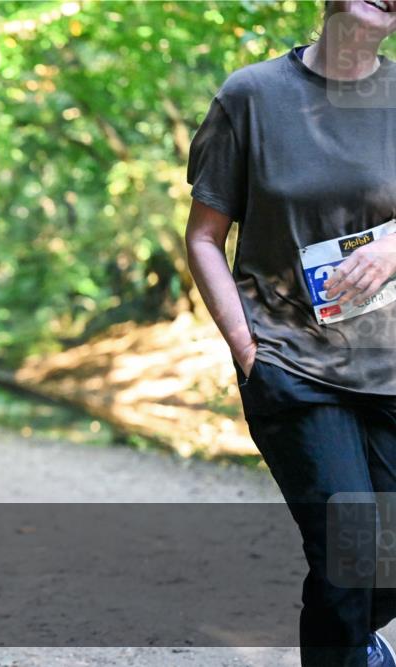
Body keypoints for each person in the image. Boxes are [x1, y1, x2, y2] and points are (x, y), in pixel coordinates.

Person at [185, 2, 396, 665]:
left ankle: (354, 639)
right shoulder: (253, 95)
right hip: (293, 360)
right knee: (348, 546)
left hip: (390, 362)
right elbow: (203, 237)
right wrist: (247, 347)